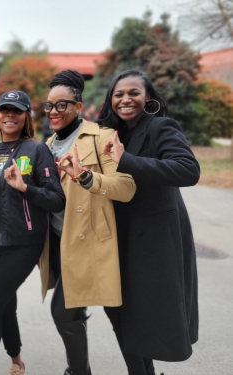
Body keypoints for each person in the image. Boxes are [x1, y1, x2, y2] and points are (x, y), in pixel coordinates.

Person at [98, 69, 199, 375]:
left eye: (133, 93)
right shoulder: (110, 133)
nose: (125, 99)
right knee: (118, 310)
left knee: (143, 314)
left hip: (154, 239)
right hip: (119, 235)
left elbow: (187, 170)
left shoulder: (161, 127)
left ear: (149, 98)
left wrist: (126, 160)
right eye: (118, 94)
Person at [40, 70, 136, 375]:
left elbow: (126, 188)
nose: (53, 112)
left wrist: (84, 176)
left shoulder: (102, 137)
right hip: (57, 239)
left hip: (88, 241)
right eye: (48, 106)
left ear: (78, 106)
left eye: (61, 105)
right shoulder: (46, 144)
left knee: (64, 313)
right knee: (72, 311)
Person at [0, 90, 65, 375]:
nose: (9, 115)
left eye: (17, 110)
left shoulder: (37, 151)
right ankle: (16, 359)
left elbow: (57, 199)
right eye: (5, 110)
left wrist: (25, 188)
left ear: (26, 116)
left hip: (23, 242)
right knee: (4, 301)